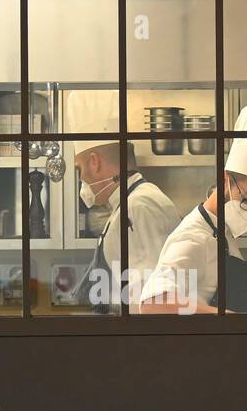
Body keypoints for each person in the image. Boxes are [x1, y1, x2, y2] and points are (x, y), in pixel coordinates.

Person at [140, 100, 247, 314]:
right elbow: (153, 304)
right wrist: (226, 318)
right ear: (225, 179)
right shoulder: (193, 238)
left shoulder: (222, 235)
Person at [72, 131, 178, 310]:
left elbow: (151, 300)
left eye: (79, 168)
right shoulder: (131, 203)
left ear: (94, 162)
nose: (81, 178)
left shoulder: (137, 207)